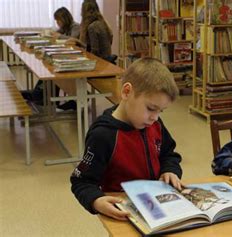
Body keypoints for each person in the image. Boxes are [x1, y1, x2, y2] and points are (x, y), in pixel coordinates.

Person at [71, 58, 183, 221]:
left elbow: (169, 154)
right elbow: (82, 182)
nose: (154, 117)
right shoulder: (103, 135)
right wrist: (96, 200)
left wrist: (170, 170)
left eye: (161, 111)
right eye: (151, 108)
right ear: (127, 92)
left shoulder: (155, 124)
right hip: (125, 216)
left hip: (159, 209)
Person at [21, 7, 80, 107]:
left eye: (58, 20)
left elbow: (73, 39)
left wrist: (59, 36)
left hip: (74, 58)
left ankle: (39, 94)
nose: (57, 23)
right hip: (64, 55)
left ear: (64, 19)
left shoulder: (75, 26)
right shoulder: (64, 28)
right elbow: (57, 35)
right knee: (49, 65)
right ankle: (40, 92)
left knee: (53, 70)